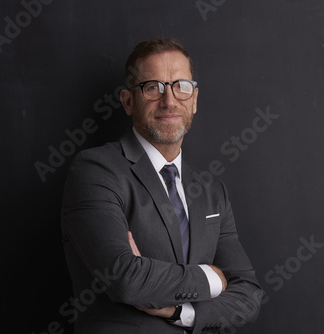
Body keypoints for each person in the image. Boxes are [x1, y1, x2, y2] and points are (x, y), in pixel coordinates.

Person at [61, 38, 262, 334]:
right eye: (152, 87)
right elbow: (126, 279)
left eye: (180, 86)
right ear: (128, 101)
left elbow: (249, 296)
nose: (169, 101)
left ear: (193, 100)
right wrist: (213, 278)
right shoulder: (95, 171)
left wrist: (181, 312)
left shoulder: (211, 192)